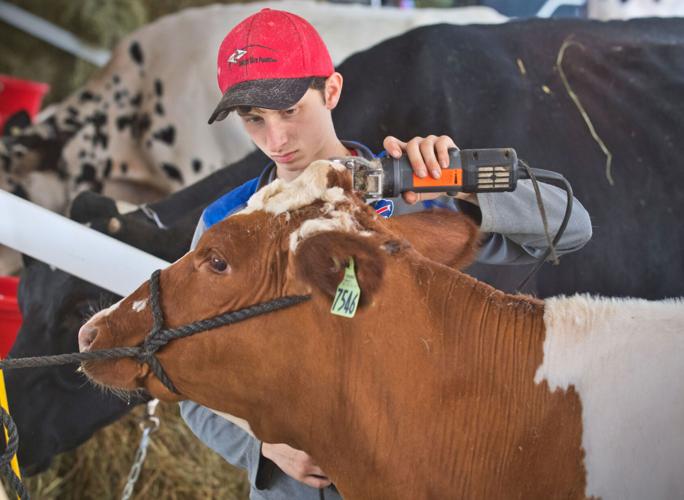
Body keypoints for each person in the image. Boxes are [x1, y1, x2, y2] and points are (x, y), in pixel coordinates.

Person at [181, 8, 592, 499]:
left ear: (331, 91)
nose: (276, 139)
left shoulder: (409, 189)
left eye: (290, 110)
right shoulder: (225, 225)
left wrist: (456, 177)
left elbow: (570, 227)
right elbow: (187, 382)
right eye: (254, 119)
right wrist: (264, 445)